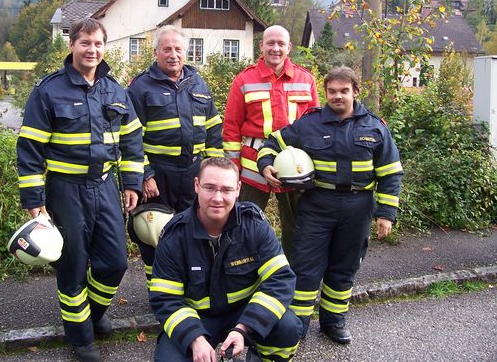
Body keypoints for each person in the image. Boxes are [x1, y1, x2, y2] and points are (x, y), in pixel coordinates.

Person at [16, 18, 144, 362]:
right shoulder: (49, 90)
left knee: (115, 262)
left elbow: (133, 140)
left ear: (105, 47)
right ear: (72, 45)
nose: (92, 50)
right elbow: (29, 149)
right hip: (65, 190)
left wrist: (131, 182)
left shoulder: (115, 90)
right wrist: (34, 200)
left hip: (105, 186)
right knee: (72, 266)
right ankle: (80, 339)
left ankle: (93, 313)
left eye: (98, 44)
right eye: (85, 43)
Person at [257, 66, 404, 345]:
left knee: (343, 267)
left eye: (344, 91)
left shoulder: (375, 127)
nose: (337, 96)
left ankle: (333, 322)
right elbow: (271, 143)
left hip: (358, 207)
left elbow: (391, 172)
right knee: (305, 267)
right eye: (332, 91)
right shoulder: (309, 123)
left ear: (355, 92)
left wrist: (386, 214)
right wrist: (266, 165)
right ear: (325, 93)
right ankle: (297, 324)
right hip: (316, 205)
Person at [149, 157, 304, 362]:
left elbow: (280, 280)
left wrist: (244, 328)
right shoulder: (174, 237)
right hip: (197, 318)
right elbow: (166, 299)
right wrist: (194, 338)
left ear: (238, 189)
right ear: (197, 185)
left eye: (226, 190)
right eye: (210, 188)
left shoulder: (254, 227)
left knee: (289, 327)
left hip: (244, 313)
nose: (217, 197)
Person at [126, 25, 223, 288]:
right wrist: (145, 175)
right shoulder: (140, 87)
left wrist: (212, 171)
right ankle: (158, 293)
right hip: (158, 175)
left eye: (178, 49)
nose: (173, 54)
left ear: (186, 52)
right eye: (166, 49)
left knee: (193, 232)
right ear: (156, 52)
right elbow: (131, 138)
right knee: (152, 234)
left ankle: (188, 288)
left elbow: (214, 128)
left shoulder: (198, 83)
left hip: (193, 173)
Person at [222, 25, 319, 260]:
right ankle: (243, 274)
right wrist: (234, 168)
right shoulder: (244, 81)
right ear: (261, 46)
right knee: (244, 223)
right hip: (253, 167)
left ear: (289, 47)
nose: (275, 48)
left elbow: (316, 125)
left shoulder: (306, 80)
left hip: (295, 164)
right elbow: (231, 127)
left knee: (296, 226)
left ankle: (293, 278)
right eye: (270, 43)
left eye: (281, 44)